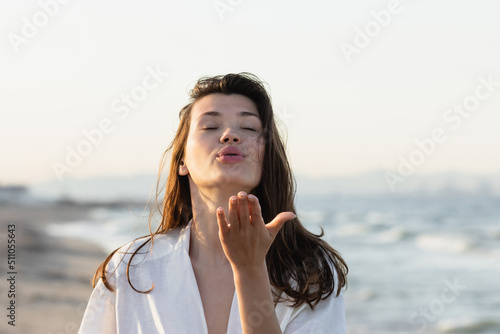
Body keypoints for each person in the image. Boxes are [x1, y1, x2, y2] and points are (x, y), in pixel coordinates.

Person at [78, 73, 348, 334]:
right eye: (210, 126)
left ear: (268, 157)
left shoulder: (310, 273)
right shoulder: (130, 268)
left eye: (249, 127)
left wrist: (251, 270)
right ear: (182, 159)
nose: (230, 135)